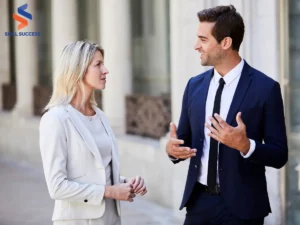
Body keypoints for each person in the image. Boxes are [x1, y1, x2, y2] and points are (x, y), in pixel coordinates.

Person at [166, 5, 288, 225]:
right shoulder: (194, 86)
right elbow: (182, 142)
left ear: (226, 43)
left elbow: (279, 155)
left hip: (243, 209)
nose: (196, 46)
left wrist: (245, 145)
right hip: (198, 204)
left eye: (203, 39)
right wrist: (172, 150)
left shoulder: (265, 88)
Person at [39, 40, 147, 225]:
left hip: (111, 219)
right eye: (98, 64)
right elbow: (57, 187)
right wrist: (110, 191)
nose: (106, 70)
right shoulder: (56, 119)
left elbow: (94, 172)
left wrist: (125, 183)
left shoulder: (101, 117)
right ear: (78, 70)